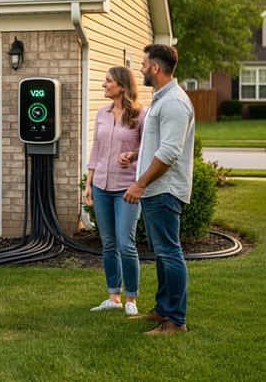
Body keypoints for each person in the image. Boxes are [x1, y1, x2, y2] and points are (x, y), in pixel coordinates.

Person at [121, 44, 195, 335]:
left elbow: (170, 153)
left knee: (169, 252)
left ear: (155, 67)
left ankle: (176, 321)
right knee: (162, 253)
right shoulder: (161, 100)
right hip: (155, 190)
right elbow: (159, 144)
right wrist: (137, 155)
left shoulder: (175, 102)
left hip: (164, 191)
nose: (140, 68)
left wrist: (140, 183)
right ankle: (162, 310)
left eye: (143, 63)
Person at [83, 66, 145, 317]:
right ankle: (113, 296)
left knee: (125, 243)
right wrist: (89, 183)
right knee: (108, 243)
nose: (103, 85)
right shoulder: (101, 113)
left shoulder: (142, 115)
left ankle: (131, 298)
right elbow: (96, 152)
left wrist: (132, 156)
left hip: (127, 188)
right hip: (101, 187)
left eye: (108, 81)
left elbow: (148, 149)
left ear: (121, 85)